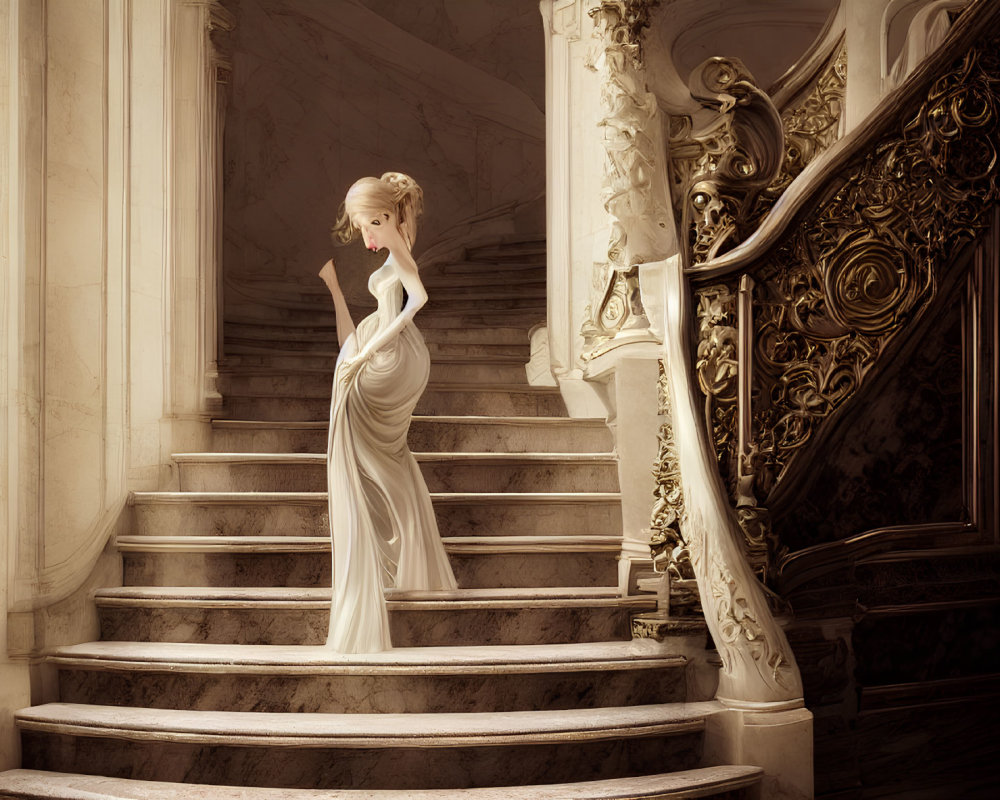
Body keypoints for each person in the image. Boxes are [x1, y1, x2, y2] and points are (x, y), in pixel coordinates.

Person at [318, 171, 457, 653]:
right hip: (392, 353)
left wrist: (366, 348)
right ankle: (401, 559)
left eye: (370, 224)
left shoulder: (398, 247)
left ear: (391, 215)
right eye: (362, 227)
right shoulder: (394, 249)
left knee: (363, 449)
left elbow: (419, 299)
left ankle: (385, 559)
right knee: (383, 457)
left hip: (392, 356)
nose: (368, 236)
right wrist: (342, 304)